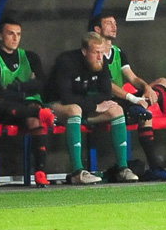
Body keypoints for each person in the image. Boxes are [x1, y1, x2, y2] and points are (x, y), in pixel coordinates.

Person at [0, 18, 99, 186]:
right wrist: (26, 89)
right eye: (10, 34)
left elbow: (41, 84)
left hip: (28, 106)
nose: (15, 38)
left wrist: (17, 88)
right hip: (6, 109)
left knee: (35, 118)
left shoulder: (30, 57)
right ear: (0, 36)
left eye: (18, 34)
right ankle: (37, 112)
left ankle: (40, 171)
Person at [90, 14, 166, 180]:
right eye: (109, 23)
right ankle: (140, 166)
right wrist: (133, 98)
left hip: (125, 100)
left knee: (163, 82)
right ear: (97, 29)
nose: (114, 27)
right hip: (106, 102)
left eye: (115, 23)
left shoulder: (118, 52)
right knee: (145, 114)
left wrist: (146, 89)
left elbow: (132, 77)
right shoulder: (95, 53)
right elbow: (107, 85)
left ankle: (155, 168)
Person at [47, 32, 140, 183]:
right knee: (74, 109)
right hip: (55, 106)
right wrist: (94, 106)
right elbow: (66, 97)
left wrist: (93, 105)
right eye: (96, 52)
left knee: (116, 109)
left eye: (101, 52)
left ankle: (122, 169)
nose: (99, 57)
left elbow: (106, 93)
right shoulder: (66, 61)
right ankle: (77, 172)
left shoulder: (101, 62)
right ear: (84, 51)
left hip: (84, 107)